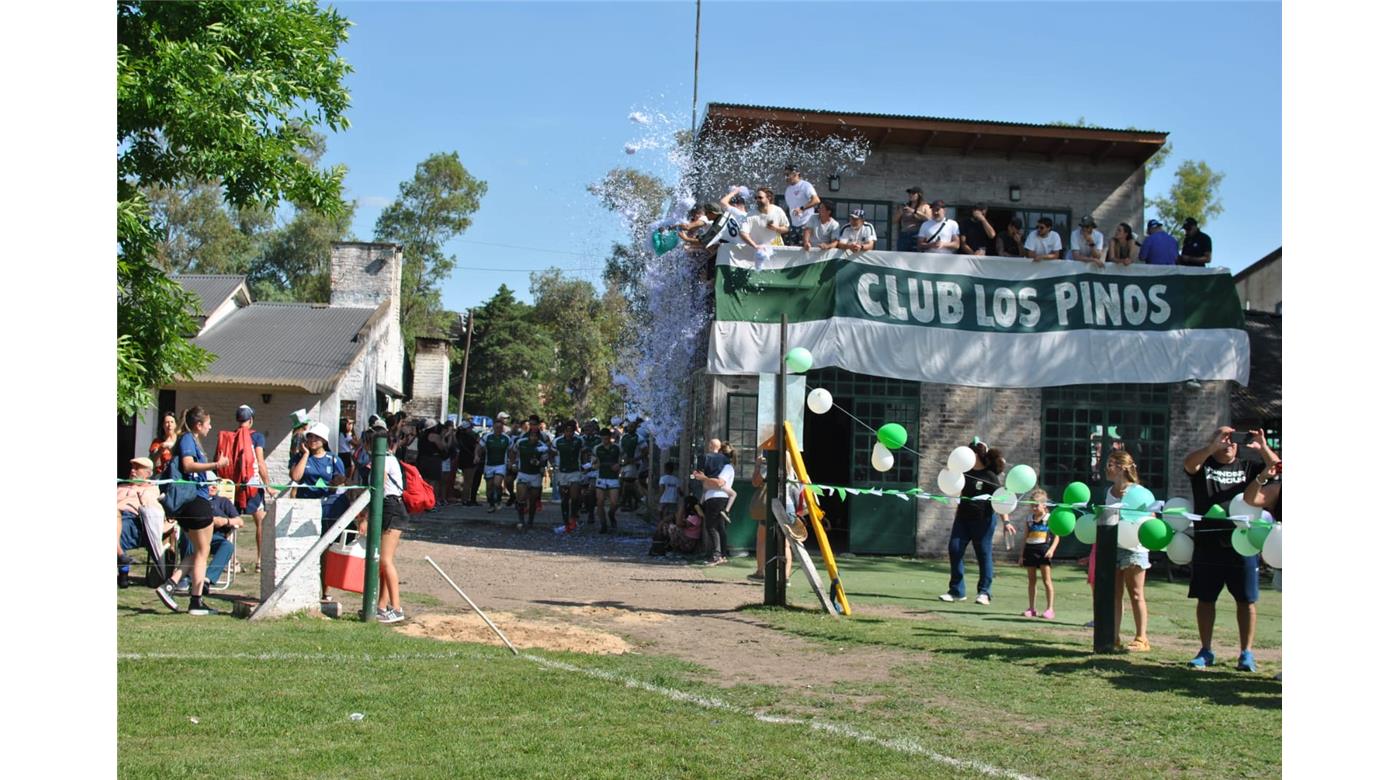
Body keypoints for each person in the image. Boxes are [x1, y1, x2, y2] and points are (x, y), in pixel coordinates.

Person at [1183, 426, 1265, 672]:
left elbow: (1277, 467)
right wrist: (1212, 447)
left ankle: (1246, 653)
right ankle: (1206, 650)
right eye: (1224, 439)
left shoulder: (1248, 466)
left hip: (1243, 544)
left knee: (1246, 600)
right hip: (1208, 545)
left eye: (1233, 439)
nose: (1229, 443)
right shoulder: (1204, 465)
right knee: (1206, 599)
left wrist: (1263, 447)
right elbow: (1189, 464)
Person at [153, 406, 229, 615]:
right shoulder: (188, 439)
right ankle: (195, 601)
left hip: (192, 501)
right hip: (195, 501)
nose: (210, 427)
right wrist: (216, 465)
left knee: (199, 551)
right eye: (208, 423)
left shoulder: (191, 440)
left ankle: (170, 585)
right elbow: (187, 465)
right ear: (198, 425)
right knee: (203, 552)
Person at [940, 439, 1013, 605]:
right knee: (954, 549)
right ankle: (956, 591)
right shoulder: (963, 473)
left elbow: (1000, 499)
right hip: (962, 519)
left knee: (983, 554)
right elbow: (959, 493)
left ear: (976, 455)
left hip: (983, 520)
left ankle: (984, 592)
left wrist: (1006, 522)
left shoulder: (989, 476)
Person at [289, 421, 348, 601]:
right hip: (305, 506)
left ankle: (325, 590)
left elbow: (342, 478)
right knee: (304, 547)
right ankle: (299, 587)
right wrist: (305, 455)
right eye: (310, 437)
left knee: (325, 549)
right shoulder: (300, 457)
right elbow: (296, 477)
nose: (313, 440)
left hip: (327, 507)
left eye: (317, 437)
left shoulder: (333, 459)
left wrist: (335, 483)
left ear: (324, 440)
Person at [1104, 451, 1151, 651]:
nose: (1107, 468)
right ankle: (1113, 637)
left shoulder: (1139, 492)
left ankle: (1142, 638)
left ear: (1122, 468)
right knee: (1115, 594)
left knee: (1136, 593)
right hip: (1113, 547)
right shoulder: (1109, 492)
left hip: (1135, 548)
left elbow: (1150, 518)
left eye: (1110, 464)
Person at [366, 429, 409, 623]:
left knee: (385, 560)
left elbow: (379, 484)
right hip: (387, 507)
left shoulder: (386, 460)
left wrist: (366, 513)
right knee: (383, 563)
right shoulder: (385, 459)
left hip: (392, 507)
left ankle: (397, 608)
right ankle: (381, 606)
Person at [174, 483, 244, 594]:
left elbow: (240, 521)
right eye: (209, 484)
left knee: (227, 546)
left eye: (215, 484)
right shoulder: (193, 501)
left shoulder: (223, 502)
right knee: (188, 538)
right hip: (196, 534)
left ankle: (206, 579)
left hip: (215, 537)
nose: (214, 487)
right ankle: (186, 577)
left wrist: (225, 521)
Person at [117, 456, 172, 588]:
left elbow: (153, 511)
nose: (133, 471)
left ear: (148, 473)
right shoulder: (121, 486)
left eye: (137, 468)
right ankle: (122, 560)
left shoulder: (151, 489)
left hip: (133, 520)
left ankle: (123, 564)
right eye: (132, 467)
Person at [234, 404, 271, 572]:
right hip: (253, 484)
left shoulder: (232, 436)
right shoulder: (257, 437)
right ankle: (260, 561)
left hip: (236, 485)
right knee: (261, 522)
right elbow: (260, 462)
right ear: (250, 420)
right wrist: (267, 485)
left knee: (232, 523)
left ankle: (233, 561)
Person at [748, 451, 793, 582]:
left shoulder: (770, 469)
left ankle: (760, 572)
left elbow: (755, 482)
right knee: (785, 544)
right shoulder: (792, 472)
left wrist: (757, 465)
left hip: (773, 506)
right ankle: (785, 577)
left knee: (762, 540)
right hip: (788, 506)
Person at [691, 439, 735, 566]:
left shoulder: (707, 458)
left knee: (711, 526)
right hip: (722, 497)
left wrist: (700, 478)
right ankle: (722, 555)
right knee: (720, 527)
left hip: (714, 496)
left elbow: (699, 476)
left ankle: (717, 555)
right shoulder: (726, 464)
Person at [1019, 489, 1058, 619]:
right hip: (1030, 550)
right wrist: (1021, 555)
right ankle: (1031, 608)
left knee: (1047, 580)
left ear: (1044, 505)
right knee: (1032, 581)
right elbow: (1025, 537)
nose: (1034, 508)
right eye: (1032, 505)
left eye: (1036, 505)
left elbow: (1057, 537)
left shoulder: (1050, 518)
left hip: (1043, 550)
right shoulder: (1029, 519)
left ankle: (1050, 609)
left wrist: (1051, 550)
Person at [510, 428, 552, 530]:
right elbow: (512, 452)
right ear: (528, 436)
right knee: (521, 497)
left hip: (535, 475)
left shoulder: (542, 447)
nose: (534, 438)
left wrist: (539, 463)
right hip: (523, 473)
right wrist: (513, 463)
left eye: (536, 436)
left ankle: (530, 521)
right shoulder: (520, 443)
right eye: (532, 435)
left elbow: (544, 461)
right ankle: (521, 520)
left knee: (533, 500)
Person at [554, 421, 587, 531]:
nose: (569, 433)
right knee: (564, 498)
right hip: (562, 472)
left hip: (575, 471)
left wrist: (585, 464)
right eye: (567, 431)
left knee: (574, 496)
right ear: (564, 431)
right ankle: (565, 521)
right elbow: (551, 453)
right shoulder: (557, 441)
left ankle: (573, 518)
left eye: (571, 431)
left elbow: (584, 452)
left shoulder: (579, 440)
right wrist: (553, 463)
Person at [590, 427, 624, 533]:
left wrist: (619, 465)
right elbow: (593, 462)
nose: (605, 441)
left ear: (610, 437)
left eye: (606, 438)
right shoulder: (597, 448)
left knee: (614, 502)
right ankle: (603, 524)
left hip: (613, 477)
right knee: (600, 501)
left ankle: (611, 514)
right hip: (601, 476)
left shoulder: (617, 447)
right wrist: (595, 464)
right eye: (603, 439)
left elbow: (624, 458)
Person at [478, 414, 513, 513]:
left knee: (497, 483)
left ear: (502, 428)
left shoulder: (506, 438)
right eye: (497, 427)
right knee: (489, 487)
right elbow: (479, 447)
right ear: (493, 427)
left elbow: (511, 451)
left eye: (500, 427)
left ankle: (498, 500)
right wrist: (477, 456)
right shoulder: (487, 437)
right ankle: (491, 504)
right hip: (489, 464)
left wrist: (511, 462)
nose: (498, 429)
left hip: (501, 464)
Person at [782, 164, 821, 247]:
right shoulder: (787, 190)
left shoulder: (805, 185)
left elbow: (816, 200)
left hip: (807, 224)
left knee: (806, 249)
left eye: (787, 174)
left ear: (795, 174)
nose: (786, 177)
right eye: (785, 175)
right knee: (793, 249)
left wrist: (802, 208)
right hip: (794, 225)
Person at [896, 187, 934, 251]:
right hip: (904, 234)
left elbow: (929, 219)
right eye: (909, 193)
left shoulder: (925, 206)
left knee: (915, 254)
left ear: (919, 195)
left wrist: (914, 211)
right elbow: (894, 221)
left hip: (917, 235)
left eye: (913, 193)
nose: (910, 195)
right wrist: (900, 212)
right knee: (901, 255)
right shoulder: (905, 206)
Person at [455, 418, 480, 505]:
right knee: (468, 481)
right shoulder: (468, 437)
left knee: (467, 480)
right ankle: (465, 499)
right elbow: (476, 446)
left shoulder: (459, 436)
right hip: (469, 459)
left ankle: (465, 499)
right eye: (470, 428)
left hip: (463, 459)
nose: (471, 429)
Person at [149, 410, 178, 476]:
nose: (169, 425)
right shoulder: (157, 442)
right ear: (163, 425)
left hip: (177, 475)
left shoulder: (180, 440)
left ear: (176, 424)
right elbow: (152, 461)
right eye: (167, 422)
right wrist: (160, 450)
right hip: (161, 476)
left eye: (172, 422)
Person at [657, 460, 681, 534]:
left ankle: (661, 531)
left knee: (662, 517)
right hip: (673, 500)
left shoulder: (663, 478)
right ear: (672, 470)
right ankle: (670, 532)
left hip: (664, 500)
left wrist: (658, 497)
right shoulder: (676, 479)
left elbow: (662, 489)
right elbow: (679, 491)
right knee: (671, 518)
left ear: (665, 469)